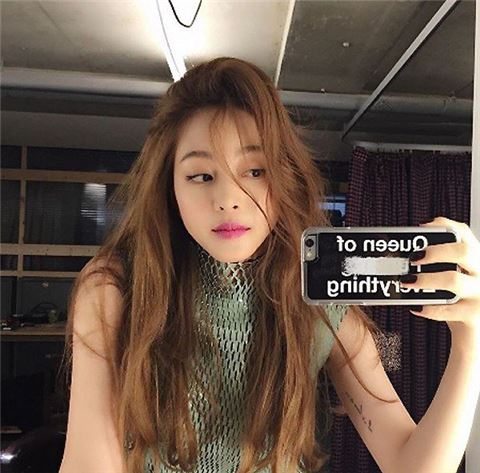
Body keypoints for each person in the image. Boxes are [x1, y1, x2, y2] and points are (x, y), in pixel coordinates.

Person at [58, 57, 480, 473]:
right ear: (170, 187)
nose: (228, 199)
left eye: (255, 170)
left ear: (284, 178)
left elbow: (413, 466)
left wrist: (470, 343)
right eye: (201, 175)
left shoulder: (319, 300)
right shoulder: (116, 287)